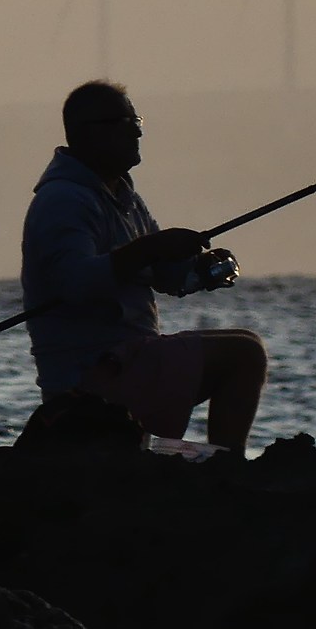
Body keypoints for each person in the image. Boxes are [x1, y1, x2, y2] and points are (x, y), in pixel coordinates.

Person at [20, 80, 268, 452]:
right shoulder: (64, 201)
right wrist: (151, 247)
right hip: (90, 376)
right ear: (90, 132)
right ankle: (229, 469)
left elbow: (164, 273)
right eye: (127, 121)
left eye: (137, 121)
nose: (137, 131)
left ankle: (222, 464)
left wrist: (200, 270)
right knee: (244, 355)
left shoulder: (122, 195)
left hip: (128, 358)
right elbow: (75, 284)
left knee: (248, 343)